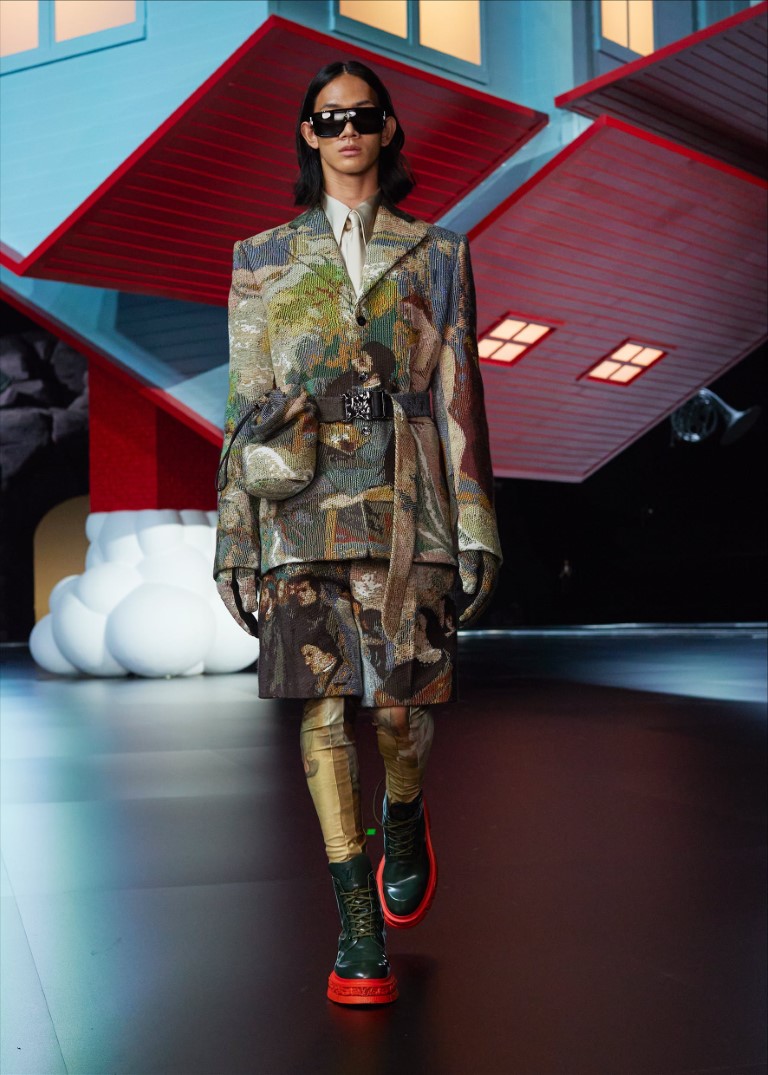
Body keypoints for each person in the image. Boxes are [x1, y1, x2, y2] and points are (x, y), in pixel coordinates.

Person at [214, 59, 502, 1006]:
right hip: (298, 507)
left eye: (363, 116)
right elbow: (245, 407)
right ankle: (355, 925)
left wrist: (475, 521)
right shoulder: (261, 256)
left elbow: (459, 391)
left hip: (409, 504)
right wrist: (235, 538)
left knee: (397, 712)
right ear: (308, 132)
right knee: (324, 709)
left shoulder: (440, 252)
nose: (347, 131)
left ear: (387, 130)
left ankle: (405, 810)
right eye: (330, 117)